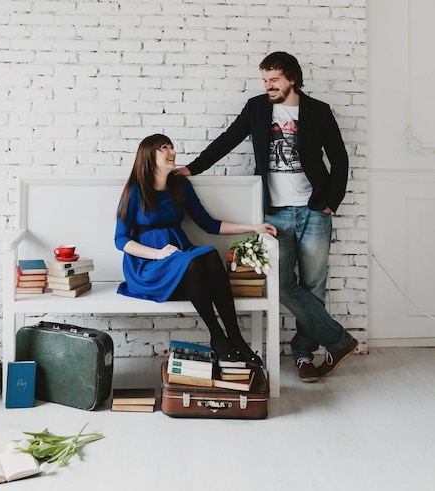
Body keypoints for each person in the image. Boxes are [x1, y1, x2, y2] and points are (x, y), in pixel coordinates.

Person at [176, 51, 358, 382]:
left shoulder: (318, 112)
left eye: (274, 80)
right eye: (265, 80)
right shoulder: (258, 108)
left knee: (314, 285)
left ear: (292, 79)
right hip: (274, 213)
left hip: (314, 210)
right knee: (283, 285)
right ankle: (340, 342)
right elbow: (227, 140)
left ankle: (303, 355)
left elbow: (340, 159)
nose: (268, 86)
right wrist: (192, 167)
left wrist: (331, 201)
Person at [114, 133, 277, 367]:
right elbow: (120, 240)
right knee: (193, 261)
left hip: (180, 256)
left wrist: (253, 227)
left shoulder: (180, 186)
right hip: (148, 265)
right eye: (164, 148)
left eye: (172, 146)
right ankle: (217, 335)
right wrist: (157, 254)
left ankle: (234, 337)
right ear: (149, 156)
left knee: (208, 254)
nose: (172, 152)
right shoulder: (135, 190)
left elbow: (209, 224)